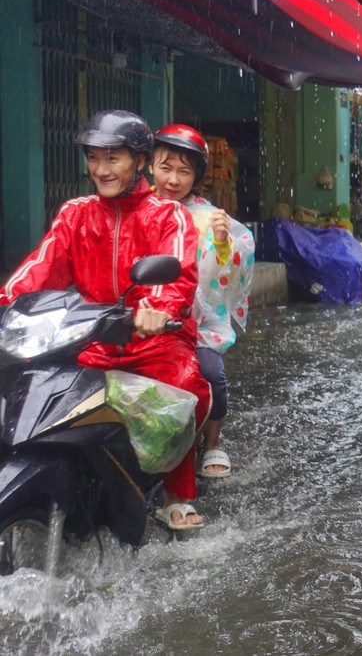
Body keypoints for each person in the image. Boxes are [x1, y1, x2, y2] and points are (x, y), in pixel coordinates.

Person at [0, 110, 209, 530]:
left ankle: (176, 493)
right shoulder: (76, 214)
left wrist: (156, 310)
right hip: (89, 340)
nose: (101, 169)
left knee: (183, 385)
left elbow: (177, 279)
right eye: (94, 158)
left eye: (113, 159)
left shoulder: (168, 216)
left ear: (137, 161)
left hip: (154, 341)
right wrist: (6, 301)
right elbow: (38, 270)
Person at [151, 124, 255, 480]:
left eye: (184, 171)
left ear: (196, 175)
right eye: (166, 167)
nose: (174, 179)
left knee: (211, 375)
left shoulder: (207, 216)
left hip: (193, 321)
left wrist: (223, 241)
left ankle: (212, 442)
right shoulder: (137, 209)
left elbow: (228, 261)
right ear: (150, 166)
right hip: (140, 316)